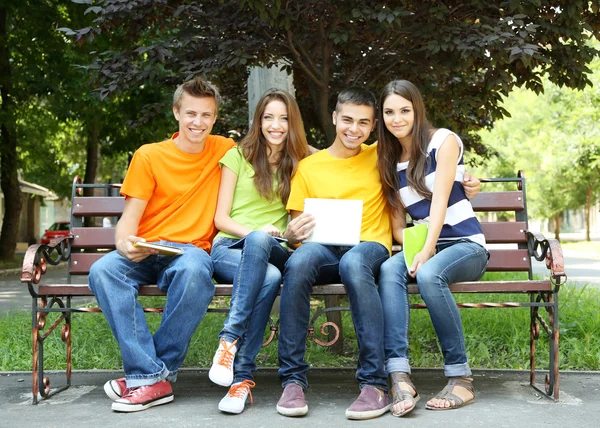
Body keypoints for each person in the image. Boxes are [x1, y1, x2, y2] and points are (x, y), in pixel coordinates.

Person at [88, 76, 235, 413]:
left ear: (215, 118)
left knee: (197, 270)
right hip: (148, 247)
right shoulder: (149, 156)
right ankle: (155, 377)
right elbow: (130, 216)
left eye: (206, 115)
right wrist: (126, 245)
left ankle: (148, 376)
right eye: (191, 114)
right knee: (103, 270)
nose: (198, 122)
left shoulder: (226, 150)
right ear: (176, 113)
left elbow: (283, 146)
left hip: (189, 252)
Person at [274, 87, 392, 420]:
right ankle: (292, 380)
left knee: (354, 264)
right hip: (324, 247)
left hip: (368, 246)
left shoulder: (381, 153)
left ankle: (374, 383)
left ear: (372, 127)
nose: (354, 129)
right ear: (335, 118)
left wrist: (466, 179)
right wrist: (293, 234)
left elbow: (431, 150)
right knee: (297, 263)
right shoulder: (309, 167)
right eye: (348, 120)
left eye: (364, 123)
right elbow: (297, 228)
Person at [376, 79, 489, 416]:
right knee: (388, 269)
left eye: (405, 110)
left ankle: (461, 378)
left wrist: (427, 250)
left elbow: (439, 202)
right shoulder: (389, 160)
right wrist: (416, 247)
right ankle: (399, 375)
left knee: (428, 275)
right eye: (390, 112)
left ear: (417, 109)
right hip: (427, 247)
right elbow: (398, 227)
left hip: (466, 245)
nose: (397, 118)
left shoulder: (444, 141)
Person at [208, 89, 310, 414]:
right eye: (268, 117)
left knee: (263, 248)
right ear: (259, 120)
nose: (275, 125)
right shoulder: (237, 156)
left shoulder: (302, 161)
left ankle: (229, 340)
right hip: (230, 247)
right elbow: (220, 218)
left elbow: (343, 156)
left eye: (283, 118)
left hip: (275, 246)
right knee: (268, 276)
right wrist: (254, 231)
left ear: (292, 122)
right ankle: (241, 382)